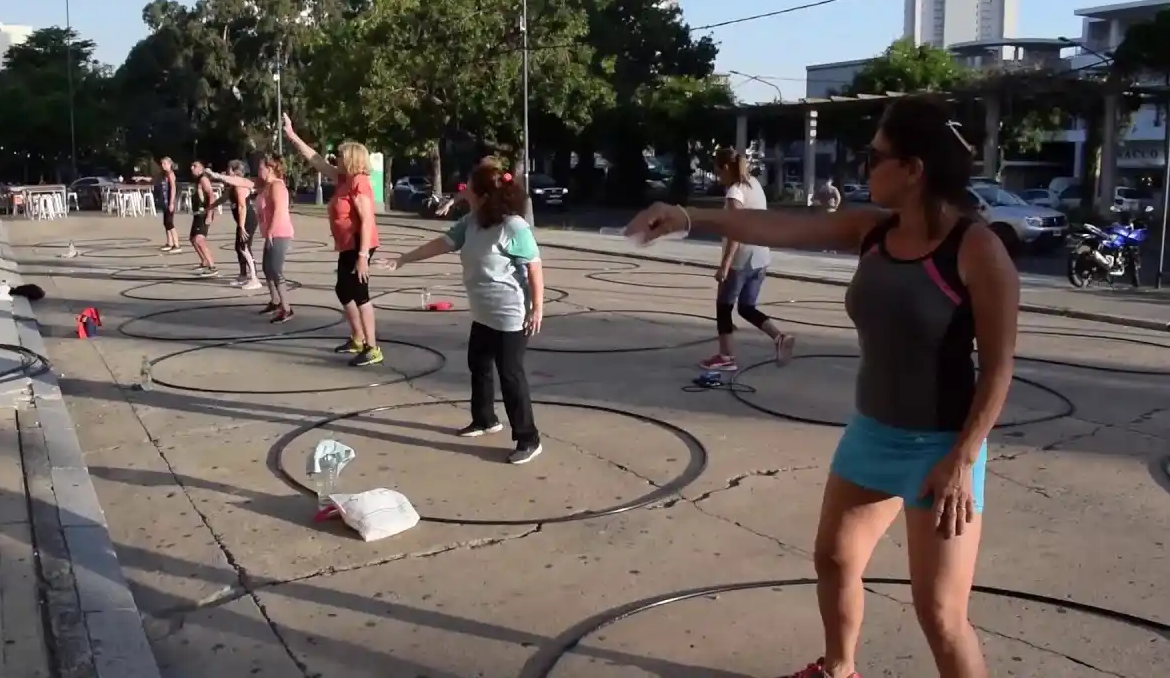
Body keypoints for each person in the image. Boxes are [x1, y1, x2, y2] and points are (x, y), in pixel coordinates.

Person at [624, 94, 1018, 678]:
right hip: (872, 435)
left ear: (913, 170)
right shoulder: (874, 231)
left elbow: (1000, 365)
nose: (864, 167)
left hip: (942, 449)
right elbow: (779, 226)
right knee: (834, 558)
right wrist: (691, 217)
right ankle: (838, 669)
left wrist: (962, 459)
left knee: (940, 614)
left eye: (874, 155)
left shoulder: (977, 249)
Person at [379, 158, 546, 465]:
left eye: (468, 187)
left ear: (482, 194)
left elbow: (534, 268)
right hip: (483, 313)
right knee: (478, 363)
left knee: (510, 375)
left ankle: (528, 438)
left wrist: (537, 308)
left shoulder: (513, 227)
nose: (463, 190)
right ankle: (485, 420)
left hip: (510, 315)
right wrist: (403, 259)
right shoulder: (471, 222)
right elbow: (441, 244)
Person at [282, 114, 383, 367]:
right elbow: (315, 159)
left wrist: (362, 258)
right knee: (342, 290)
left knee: (360, 294)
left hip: (360, 243)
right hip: (348, 244)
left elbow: (367, 220)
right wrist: (292, 135)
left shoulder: (359, 183)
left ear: (351, 159)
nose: (335, 159)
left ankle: (373, 347)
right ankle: (358, 338)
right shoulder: (343, 179)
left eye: (340, 155)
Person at [701, 146, 796, 372]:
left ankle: (726, 358)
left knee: (723, 306)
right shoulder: (754, 184)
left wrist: (724, 266)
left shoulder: (735, 192)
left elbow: (737, 231)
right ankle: (779, 336)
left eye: (717, 171)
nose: (718, 176)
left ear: (725, 167)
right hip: (761, 257)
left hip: (741, 260)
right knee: (746, 307)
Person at [207, 156, 294, 323]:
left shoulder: (277, 186)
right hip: (271, 232)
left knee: (275, 270)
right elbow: (241, 182)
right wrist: (218, 176)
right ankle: (275, 302)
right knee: (267, 268)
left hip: (280, 233)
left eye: (261, 167)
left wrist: (269, 232)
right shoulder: (264, 185)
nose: (258, 170)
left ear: (270, 168)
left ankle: (287, 308)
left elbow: (279, 211)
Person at [225, 160, 261, 290]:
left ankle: (254, 278)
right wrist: (211, 207)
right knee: (238, 247)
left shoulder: (240, 186)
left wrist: (241, 226)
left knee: (244, 247)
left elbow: (242, 207)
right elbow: (224, 198)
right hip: (242, 220)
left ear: (235, 171)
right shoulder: (233, 185)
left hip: (247, 220)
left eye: (228, 169)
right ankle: (243, 275)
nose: (226, 172)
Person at [188, 161, 218, 276]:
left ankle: (212, 267)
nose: (192, 168)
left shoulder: (203, 179)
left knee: (199, 239)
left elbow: (211, 195)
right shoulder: (198, 179)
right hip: (197, 213)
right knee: (192, 239)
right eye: (191, 166)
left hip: (203, 213)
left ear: (201, 168)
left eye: (194, 166)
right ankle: (204, 261)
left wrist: (210, 214)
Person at [157, 157, 181, 254]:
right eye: (162, 164)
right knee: (166, 223)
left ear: (170, 164)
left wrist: (171, 203)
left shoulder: (171, 174)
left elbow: (173, 189)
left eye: (165, 164)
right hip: (164, 201)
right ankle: (169, 243)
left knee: (170, 223)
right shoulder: (164, 174)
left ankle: (177, 244)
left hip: (169, 201)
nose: (163, 166)